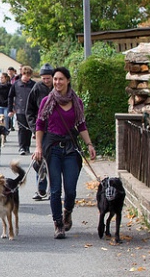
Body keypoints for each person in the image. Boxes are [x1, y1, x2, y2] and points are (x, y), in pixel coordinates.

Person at [32, 66, 96, 239]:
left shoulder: (77, 102)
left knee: (71, 190)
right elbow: (39, 125)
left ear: (68, 81)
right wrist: (38, 147)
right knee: (55, 190)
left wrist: (89, 144)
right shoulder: (47, 101)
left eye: (61, 79)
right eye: (55, 79)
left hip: (70, 149)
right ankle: (58, 224)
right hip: (52, 148)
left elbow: (81, 124)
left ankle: (67, 211)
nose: (57, 82)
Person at [25, 63, 54, 200]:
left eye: (48, 78)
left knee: (53, 160)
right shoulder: (37, 88)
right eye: (44, 78)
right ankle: (40, 189)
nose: (46, 81)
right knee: (39, 158)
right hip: (40, 129)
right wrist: (33, 128)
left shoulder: (59, 87)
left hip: (56, 130)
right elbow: (29, 111)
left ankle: (52, 189)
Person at [8, 65, 35, 156]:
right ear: (22, 74)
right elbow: (10, 96)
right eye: (25, 75)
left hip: (31, 110)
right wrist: (10, 109)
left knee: (29, 129)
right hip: (19, 110)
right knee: (22, 129)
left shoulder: (33, 85)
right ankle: (22, 147)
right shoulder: (16, 84)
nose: (27, 77)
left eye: (29, 76)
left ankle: (27, 146)